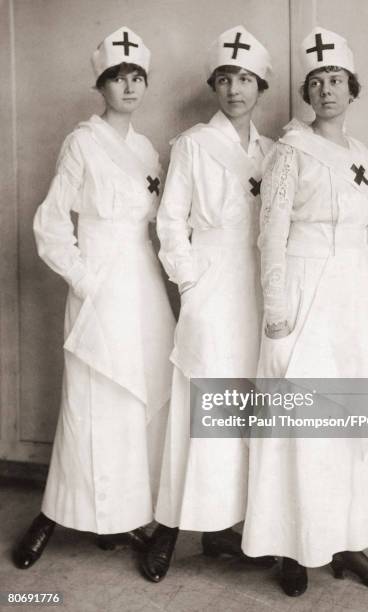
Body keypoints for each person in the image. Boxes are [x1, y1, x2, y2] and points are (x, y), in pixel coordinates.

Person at [241, 27, 368, 596]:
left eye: (336, 80)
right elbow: (271, 234)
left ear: (351, 89)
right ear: (307, 96)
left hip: (355, 297)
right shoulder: (291, 151)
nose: (327, 90)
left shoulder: (359, 153)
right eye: (317, 83)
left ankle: (350, 542)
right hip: (307, 291)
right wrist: (277, 310)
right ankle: (294, 546)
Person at [12, 26, 175, 569]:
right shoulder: (82, 141)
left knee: (137, 402)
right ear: (101, 86)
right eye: (116, 78)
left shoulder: (148, 149)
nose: (128, 87)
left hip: (143, 285)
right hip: (100, 282)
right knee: (90, 403)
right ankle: (55, 513)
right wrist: (86, 282)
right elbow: (51, 224)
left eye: (136, 78)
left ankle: (126, 514)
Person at [140, 26, 274, 582]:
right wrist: (191, 285)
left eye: (244, 78)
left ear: (259, 86)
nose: (234, 89)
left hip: (260, 287)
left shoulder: (272, 153)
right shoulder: (193, 144)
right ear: (214, 86)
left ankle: (227, 528)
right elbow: (170, 221)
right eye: (225, 79)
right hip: (213, 285)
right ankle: (170, 528)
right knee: (200, 404)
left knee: (245, 409)